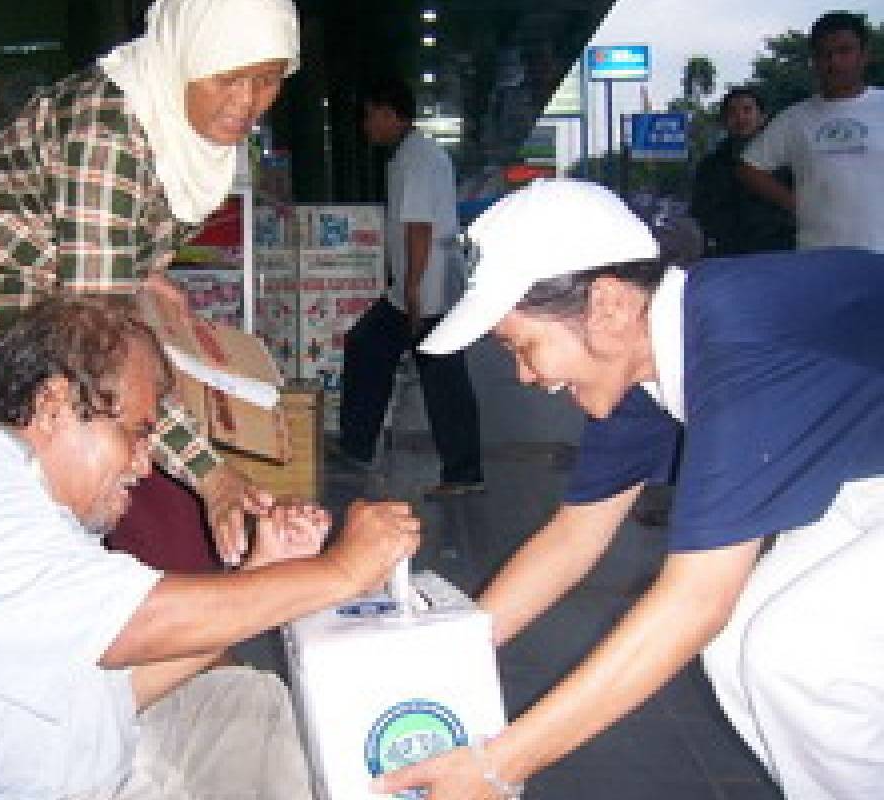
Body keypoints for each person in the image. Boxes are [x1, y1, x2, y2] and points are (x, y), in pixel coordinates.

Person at [0, 296, 421, 800]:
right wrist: (339, 570)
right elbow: (137, 626)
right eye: (138, 434)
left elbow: (112, 686)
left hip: (76, 769)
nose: (145, 466)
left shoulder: (11, 492)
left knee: (241, 703)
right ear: (54, 403)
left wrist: (265, 573)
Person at [370, 179, 884, 800]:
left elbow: (694, 602)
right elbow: (572, 540)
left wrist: (497, 765)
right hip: (861, 476)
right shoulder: (644, 364)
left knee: (799, 661)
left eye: (522, 345)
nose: (524, 375)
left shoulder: (735, 345)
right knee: (738, 655)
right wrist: (437, 660)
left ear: (607, 306)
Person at [0, 0, 301, 570]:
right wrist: (211, 474)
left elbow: (113, 222)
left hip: (54, 279)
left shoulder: (182, 123)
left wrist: (141, 270)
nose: (245, 103)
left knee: (117, 471)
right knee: (60, 457)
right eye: (226, 79)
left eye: (266, 81)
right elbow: (97, 351)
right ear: (183, 58)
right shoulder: (108, 136)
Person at [336, 74, 484, 497]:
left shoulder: (420, 158)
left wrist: (415, 291)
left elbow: (419, 228)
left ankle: (461, 471)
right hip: (412, 287)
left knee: (440, 375)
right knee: (370, 349)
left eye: (369, 117)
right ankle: (358, 445)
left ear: (388, 113)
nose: (367, 126)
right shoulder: (407, 156)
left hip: (425, 287)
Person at [739, 10, 884, 253]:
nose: (834, 62)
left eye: (844, 51)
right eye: (824, 54)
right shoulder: (794, 118)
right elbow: (748, 169)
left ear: (864, 56)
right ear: (814, 61)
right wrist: (797, 203)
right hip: (817, 256)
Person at [690, 86, 795, 255]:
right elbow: (701, 214)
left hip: (780, 253)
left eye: (747, 110)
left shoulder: (786, 162)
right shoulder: (711, 166)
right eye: (732, 112)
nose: (740, 118)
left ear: (762, 117)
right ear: (723, 121)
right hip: (729, 255)